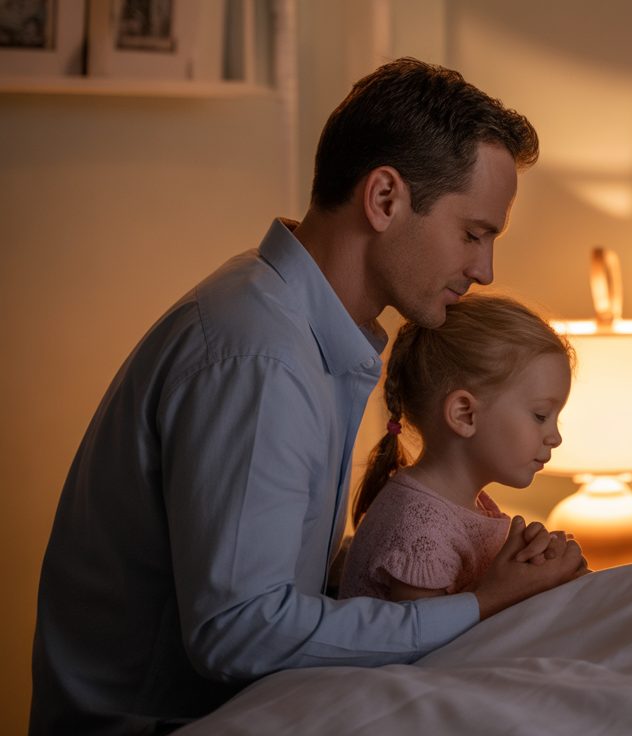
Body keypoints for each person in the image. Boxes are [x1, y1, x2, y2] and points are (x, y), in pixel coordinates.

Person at [30, 58, 585, 734]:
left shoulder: (293, 327)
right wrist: (480, 606)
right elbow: (238, 633)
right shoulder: (259, 355)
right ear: (384, 199)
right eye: (473, 233)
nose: (484, 270)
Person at [340, 293, 576, 602]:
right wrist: (509, 591)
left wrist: (536, 567)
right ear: (465, 414)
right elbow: (426, 645)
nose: (555, 437)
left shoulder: (464, 505)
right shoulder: (421, 530)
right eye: (541, 416)